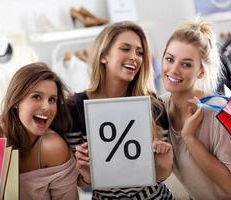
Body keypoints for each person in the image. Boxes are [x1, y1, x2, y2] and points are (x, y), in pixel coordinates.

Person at [160, 18, 231, 199]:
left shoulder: (216, 111)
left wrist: (189, 137)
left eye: (186, 64)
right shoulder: (160, 107)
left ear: (201, 72)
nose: (173, 70)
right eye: (170, 59)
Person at [67, 21, 174, 199]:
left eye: (140, 52)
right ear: (103, 56)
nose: (135, 57)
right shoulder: (75, 107)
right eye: (125, 49)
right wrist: (86, 175)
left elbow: (161, 175)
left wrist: (163, 164)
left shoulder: (153, 105)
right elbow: (79, 181)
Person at [0, 62, 79, 200]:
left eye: (52, 100)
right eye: (36, 97)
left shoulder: (52, 147)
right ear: (16, 101)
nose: (46, 106)